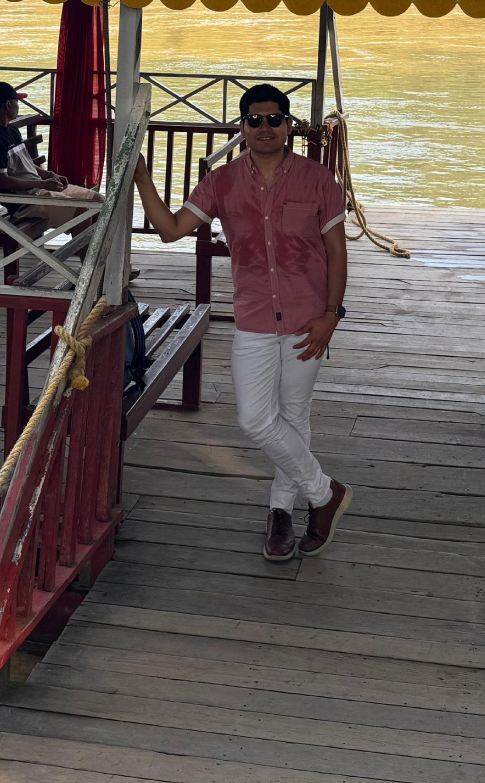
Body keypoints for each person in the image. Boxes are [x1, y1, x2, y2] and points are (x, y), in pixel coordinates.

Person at [133, 82, 353, 561]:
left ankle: (281, 512)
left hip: (308, 317)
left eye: (275, 119)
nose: (265, 128)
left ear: (288, 125)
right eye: (255, 120)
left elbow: (336, 252)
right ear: (243, 126)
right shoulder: (221, 182)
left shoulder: (318, 180)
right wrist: (141, 177)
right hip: (253, 315)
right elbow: (170, 230)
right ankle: (323, 493)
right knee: (256, 419)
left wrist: (332, 316)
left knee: (293, 414)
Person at [0, 81, 99, 222]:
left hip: (38, 189)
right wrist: (43, 184)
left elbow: (26, 164)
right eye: (17, 102)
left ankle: (96, 244)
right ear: (8, 105)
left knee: (98, 201)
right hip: (24, 201)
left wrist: (50, 175)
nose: (18, 106)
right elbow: (3, 182)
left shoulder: (11, 130)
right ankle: (86, 244)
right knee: (80, 211)